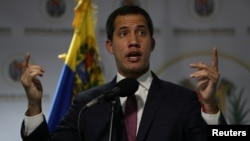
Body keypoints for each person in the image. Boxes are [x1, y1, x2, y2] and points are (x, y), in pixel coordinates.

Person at [20, 5, 226, 141]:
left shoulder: (182, 101)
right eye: (124, 33)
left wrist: (210, 107)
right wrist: (34, 105)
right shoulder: (87, 104)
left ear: (152, 44)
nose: (134, 41)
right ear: (110, 45)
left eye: (141, 32)